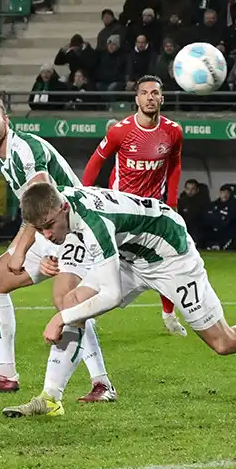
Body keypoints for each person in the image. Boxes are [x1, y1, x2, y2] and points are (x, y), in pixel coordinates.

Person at [2, 182, 236, 418]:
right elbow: (48, 213)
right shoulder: (60, 204)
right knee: (71, 302)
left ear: (64, 209)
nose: (47, 234)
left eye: (49, 227)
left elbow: (112, 293)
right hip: (133, 255)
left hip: (170, 256)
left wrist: (61, 319)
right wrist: (48, 255)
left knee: (223, 342)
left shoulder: (91, 222)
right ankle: (50, 398)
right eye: (40, 230)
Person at [0, 94, 117, 403]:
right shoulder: (5, 158)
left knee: (65, 301)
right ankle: (5, 373)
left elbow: (45, 202)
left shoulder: (25, 150)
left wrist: (20, 250)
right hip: (48, 231)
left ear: (6, 120)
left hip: (73, 230)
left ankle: (101, 383)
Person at [80, 76, 187, 337]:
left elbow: (175, 166)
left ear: (162, 98)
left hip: (153, 210)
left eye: (155, 93)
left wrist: (171, 202)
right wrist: (82, 195)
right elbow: (96, 162)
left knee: (169, 260)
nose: (150, 97)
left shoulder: (173, 131)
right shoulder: (121, 130)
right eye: (144, 93)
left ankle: (169, 314)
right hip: (120, 209)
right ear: (136, 98)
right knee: (102, 262)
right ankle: (82, 309)